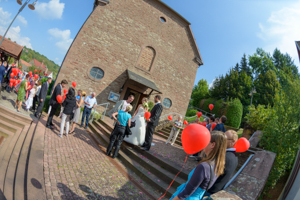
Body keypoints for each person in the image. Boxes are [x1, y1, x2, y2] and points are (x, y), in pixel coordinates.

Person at [170, 131, 227, 200]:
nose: (203, 143)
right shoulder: (218, 165)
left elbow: (186, 193)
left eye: (206, 141)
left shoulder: (204, 166)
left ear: (213, 145)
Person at [207, 130, 238, 195]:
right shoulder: (235, 156)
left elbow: (209, 174)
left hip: (210, 190)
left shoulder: (224, 156)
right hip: (217, 189)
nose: (221, 141)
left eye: (225, 139)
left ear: (233, 142)